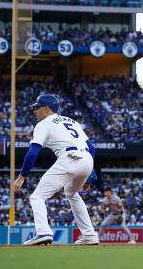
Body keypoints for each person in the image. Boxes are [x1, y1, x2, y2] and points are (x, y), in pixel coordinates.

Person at [13, 94, 99, 245]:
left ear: (46, 109)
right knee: (71, 193)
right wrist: (90, 173)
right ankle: (90, 235)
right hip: (86, 159)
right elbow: (91, 147)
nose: (35, 111)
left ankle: (43, 232)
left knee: (37, 197)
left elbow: (33, 152)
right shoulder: (72, 121)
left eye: (37, 108)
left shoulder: (44, 123)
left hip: (70, 157)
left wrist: (21, 177)